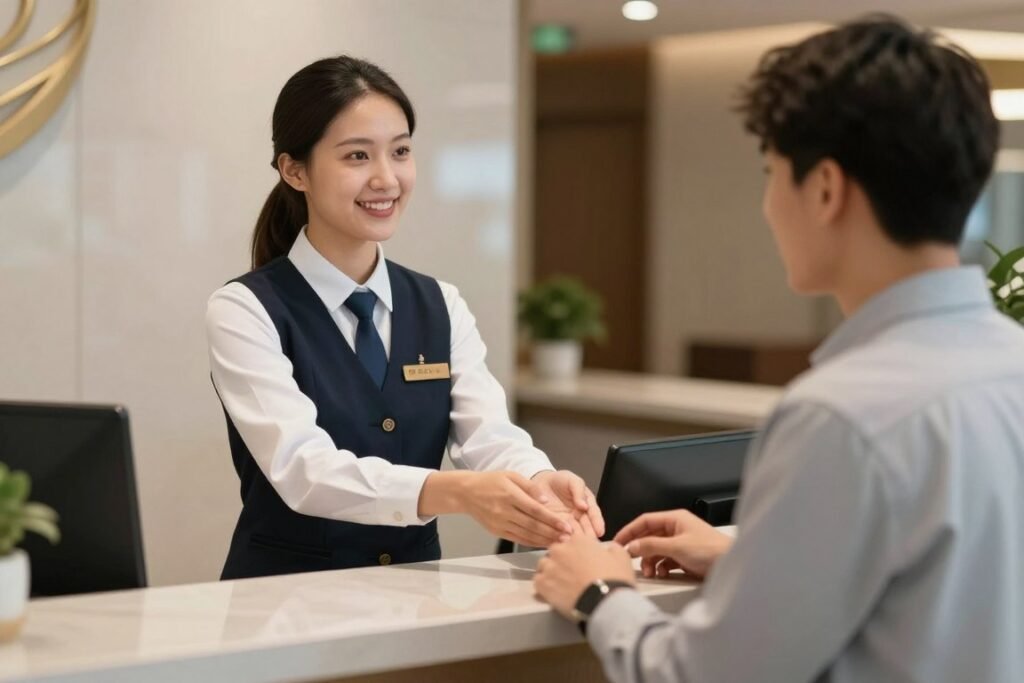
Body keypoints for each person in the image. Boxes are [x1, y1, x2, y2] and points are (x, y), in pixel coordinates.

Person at [534, 15, 1024, 683]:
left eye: (772, 173)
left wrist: (599, 594)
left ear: (824, 189)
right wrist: (751, 564)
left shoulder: (841, 416)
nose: (768, 206)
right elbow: (943, 593)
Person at [207, 55, 602, 580]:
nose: (387, 178)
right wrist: (456, 492)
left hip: (414, 598)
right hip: (284, 600)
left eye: (400, 151)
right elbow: (302, 469)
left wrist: (536, 478)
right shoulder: (245, 309)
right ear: (294, 170)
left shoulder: (441, 303)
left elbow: (486, 433)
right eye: (357, 156)